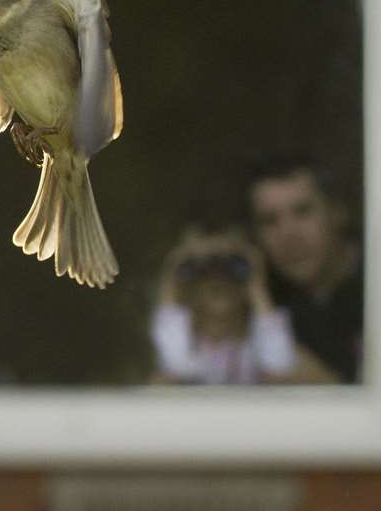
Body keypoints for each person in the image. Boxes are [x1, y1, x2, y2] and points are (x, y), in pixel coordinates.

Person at [243, 154, 364, 383]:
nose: (288, 235)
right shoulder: (267, 296)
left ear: (337, 212)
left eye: (303, 211)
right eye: (269, 221)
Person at [149, 225, 299, 385]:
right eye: (204, 270)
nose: (218, 278)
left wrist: (257, 288)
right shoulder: (186, 344)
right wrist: (177, 268)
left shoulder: (253, 347)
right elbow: (175, 366)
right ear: (188, 288)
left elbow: (280, 366)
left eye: (230, 268)